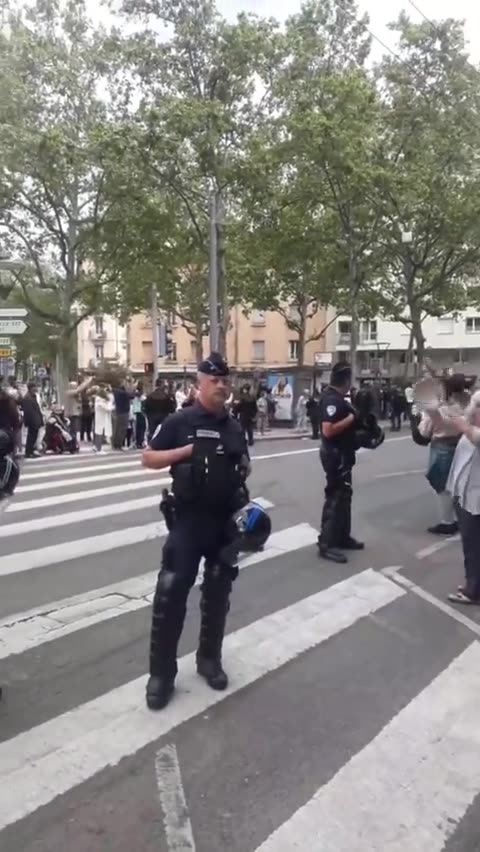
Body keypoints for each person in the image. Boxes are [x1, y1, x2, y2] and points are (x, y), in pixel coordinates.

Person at [142, 352, 251, 711]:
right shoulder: (180, 420)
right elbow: (149, 458)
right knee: (171, 597)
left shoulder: (234, 426)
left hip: (223, 523)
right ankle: (161, 676)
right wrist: (189, 450)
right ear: (199, 384)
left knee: (218, 595)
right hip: (189, 522)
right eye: (214, 380)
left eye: (225, 381)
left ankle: (209, 660)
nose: (221, 385)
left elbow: (242, 466)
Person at [317, 362, 363, 564]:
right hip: (334, 455)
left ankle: (343, 536)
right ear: (345, 380)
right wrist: (351, 419)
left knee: (344, 496)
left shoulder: (339, 399)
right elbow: (328, 429)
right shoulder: (331, 400)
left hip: (343, 455)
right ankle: (326, 543)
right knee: (335, 497)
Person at [418, 374, 468, 535]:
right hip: (463, 445)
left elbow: (424, 432)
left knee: (442, 486)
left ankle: (448, 522)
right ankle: (462, 517)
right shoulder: (469, 406)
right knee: (460, 483)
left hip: (442, 447)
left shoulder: (440, 410)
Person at [444, 390, 480, 604]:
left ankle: (472, 590)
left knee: (473, 546)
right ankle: (473, 583)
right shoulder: (470, 429)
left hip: (474, 499)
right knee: (472, 545)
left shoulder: (473, 433)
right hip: (464, 494)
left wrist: (463, 425)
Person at [20, 382, 44, 458]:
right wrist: (33, 421)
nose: (36, 388)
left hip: (35, 420)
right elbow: (29, 412)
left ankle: (31, 451)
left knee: (33, 436)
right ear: (30, 388)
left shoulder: (32, 396)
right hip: (32, 421)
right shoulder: (28, 398)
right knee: (31, 437)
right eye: (35, 387)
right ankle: (29, 452)